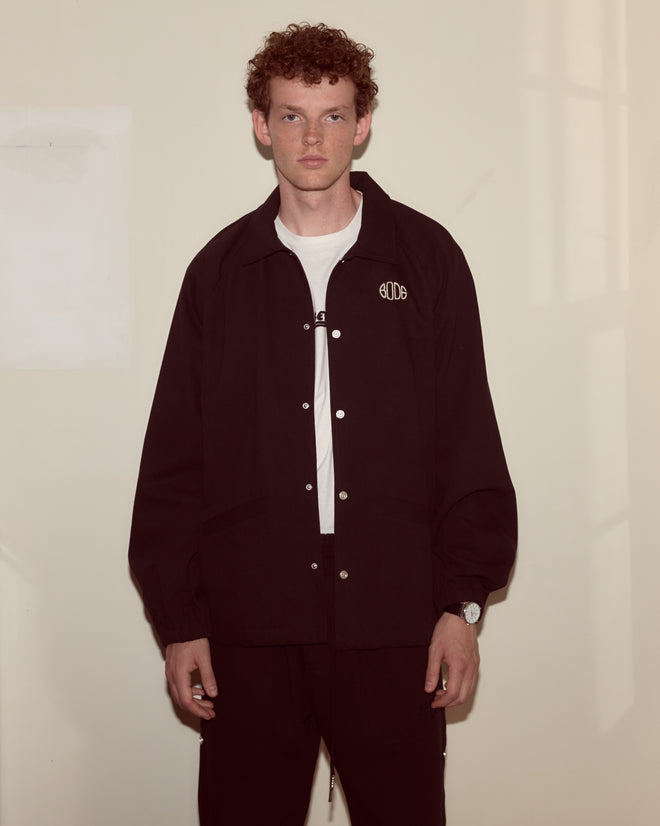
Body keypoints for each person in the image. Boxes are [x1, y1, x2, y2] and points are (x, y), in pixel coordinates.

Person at [129, 22, 516, 826]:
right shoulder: (220, 273)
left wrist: (464, 605)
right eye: (293, 115)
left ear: (363, 123)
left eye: (334, 114)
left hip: (395, 620)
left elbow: (466, 437)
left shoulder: (425, 260)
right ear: (262, 126)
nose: (313, 136)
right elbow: (175, 460)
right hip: (250, 627)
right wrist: (180, 622)